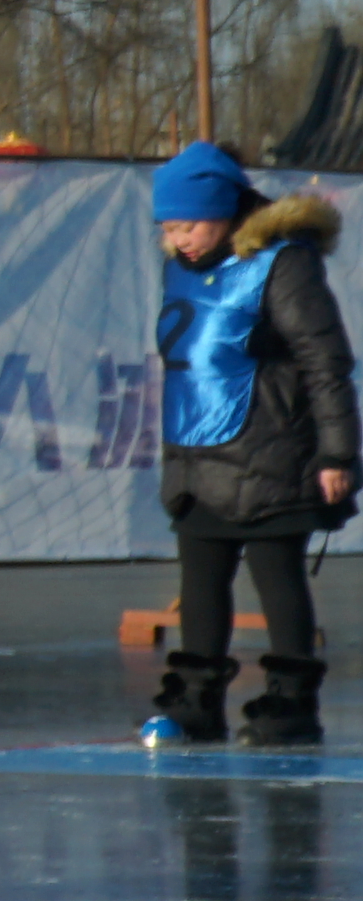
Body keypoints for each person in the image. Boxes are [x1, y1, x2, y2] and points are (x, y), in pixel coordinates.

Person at [143, 140, 353, 748]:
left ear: (224, 210)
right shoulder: (181, 266)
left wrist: (338, 453)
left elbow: (324, 360)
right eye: (169, 228)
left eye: (189, 225)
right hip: (196, 454)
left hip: (272, 452)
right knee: (200, 578)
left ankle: (290, 706)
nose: (179, 239)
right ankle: (194, 703)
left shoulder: (281, 263)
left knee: (276, 574)